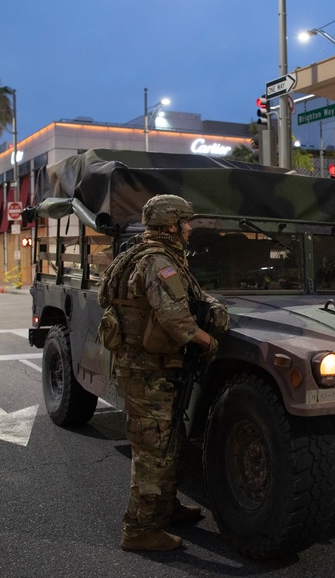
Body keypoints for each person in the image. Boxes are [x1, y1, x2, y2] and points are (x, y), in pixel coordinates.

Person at [98, 194, 230, 552]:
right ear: (171, 224)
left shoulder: (134, 254)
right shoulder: (159, 262)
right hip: (149, 371)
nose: (189, 229)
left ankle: (165, 509)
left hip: (141, 367)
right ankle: (139, 531)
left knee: (169, 441)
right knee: (152, 452)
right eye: (185, 222)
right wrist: (208, 342)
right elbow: (176, 320)